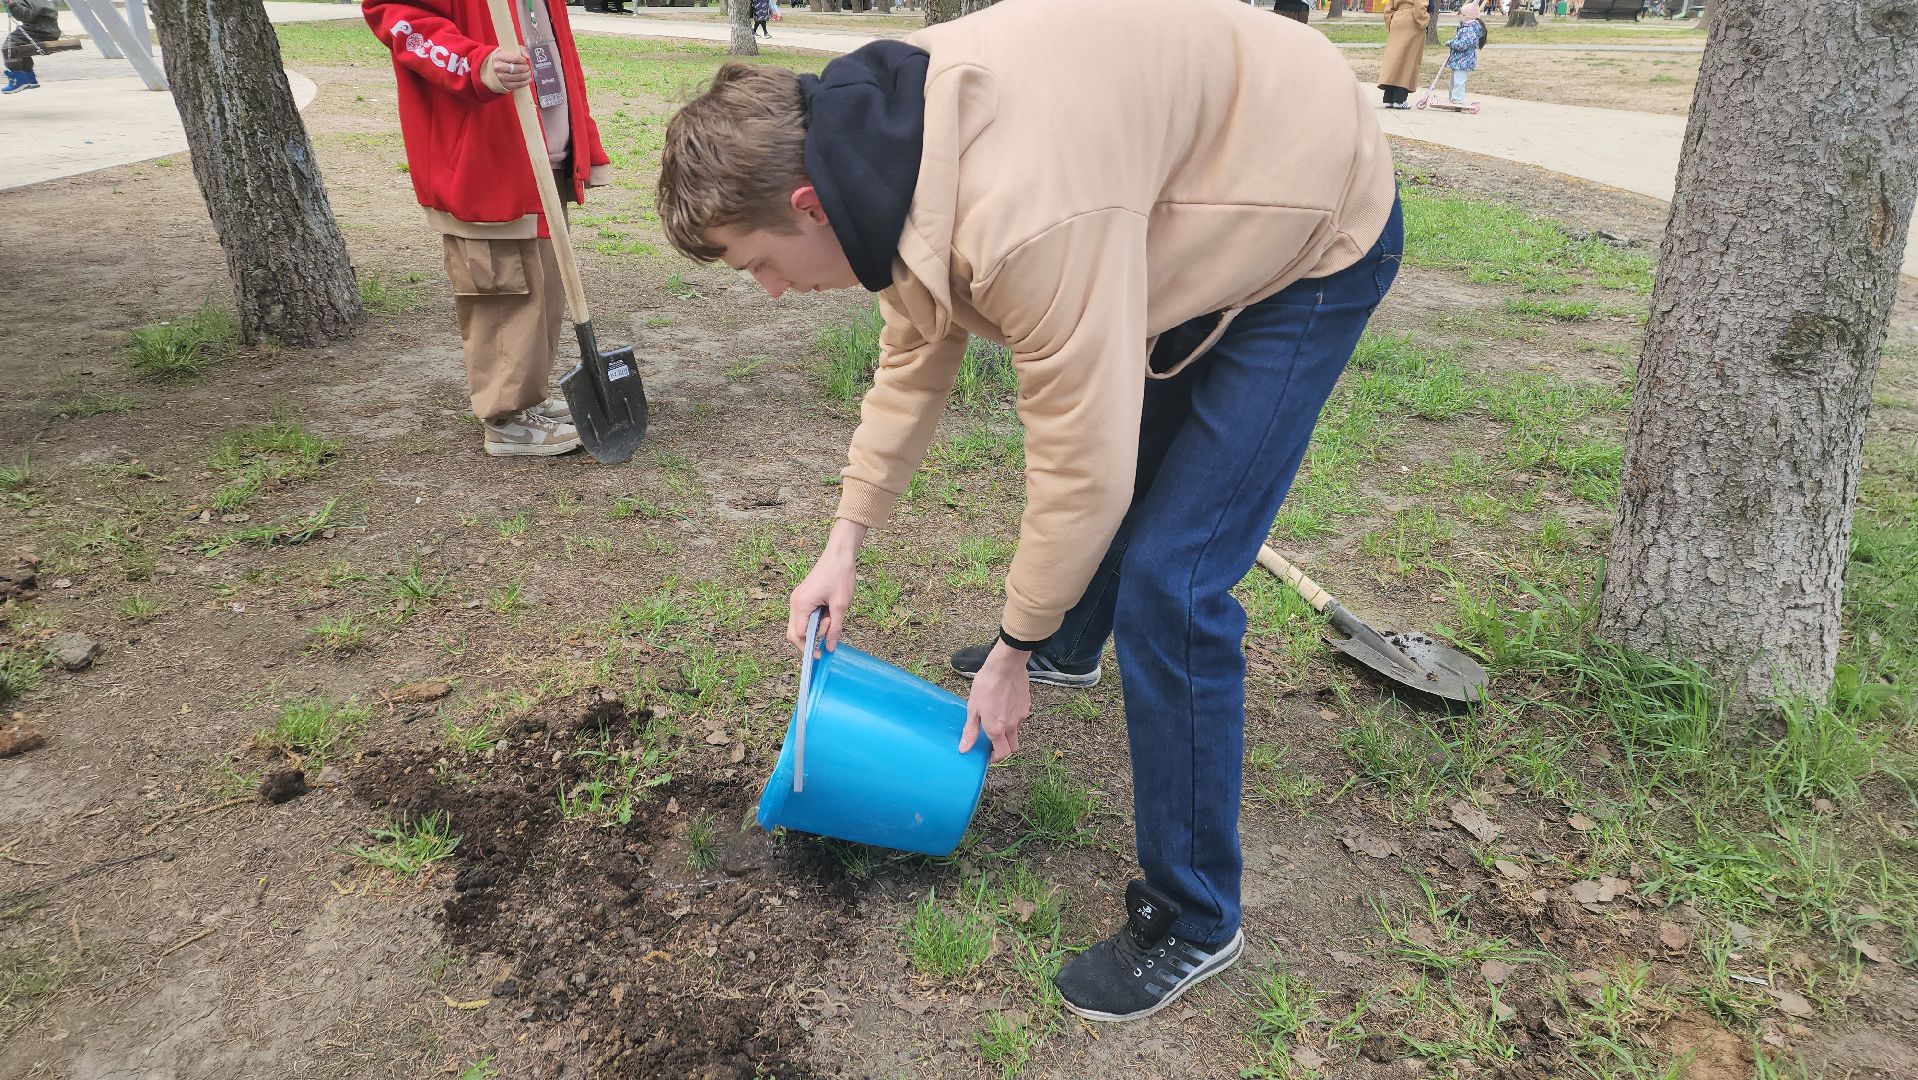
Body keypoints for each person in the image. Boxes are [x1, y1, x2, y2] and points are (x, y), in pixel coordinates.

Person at [658, 0, 1399, 1023]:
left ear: (805, 202)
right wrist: (844, 542)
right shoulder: (874, 146)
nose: (773, 292)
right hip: (1172, 181)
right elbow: (913, 352)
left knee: (1172, 579)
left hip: (1304, 211)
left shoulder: (1025, 219)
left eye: (759, 264)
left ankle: (1194, 917)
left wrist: (1009, 652)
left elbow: (1077, 469)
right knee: (1131, 478)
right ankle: (1071, 642)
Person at [363, 0, 612, 457]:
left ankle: (527, 398)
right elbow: (399, 19)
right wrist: (477, 64)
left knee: (544, 290)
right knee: (504, 290)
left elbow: (559, 59)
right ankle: (505, 416)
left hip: (541, 162)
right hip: (484, 162)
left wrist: (586, 147)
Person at [3, 0, 60, 95]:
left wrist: (12, 4)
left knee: (9, 46)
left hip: (38, 31)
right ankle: (29, 78)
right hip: (51, 31)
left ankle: (19, 78)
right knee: (23, 48)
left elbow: (26, 16)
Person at [1379, 0, 1428, 109]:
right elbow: (1420, 6)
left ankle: (1389, 98)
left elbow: (1388, 7)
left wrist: (1391, 20)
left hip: (1397, 19)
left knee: (1394, 59)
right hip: (1412, 20)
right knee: (1407, 61)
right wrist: (1424, 20)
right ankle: (1399, 99)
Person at [1444, 1, 1486, 105]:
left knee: (1459, 81)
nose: (1459, 16)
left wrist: (1451, 43)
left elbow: (1463, 44)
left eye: (1462, 14)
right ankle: (1453, 99)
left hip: (1463, 61)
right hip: (1459, 60)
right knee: (1454, 81)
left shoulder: (1469, 29)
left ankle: (1458, 99)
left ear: (1468, 17)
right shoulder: (1467, 28)